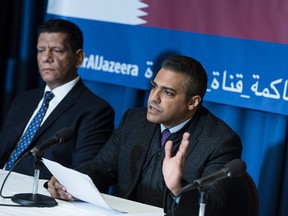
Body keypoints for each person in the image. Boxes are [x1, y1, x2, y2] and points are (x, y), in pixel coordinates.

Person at [47, 55, 243, 216]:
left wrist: (178, 187)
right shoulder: (135, 120)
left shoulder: (220, 141)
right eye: (154, 86)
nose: (154, 97)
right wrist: (72, 182)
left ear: (193, 102)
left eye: (167, 93)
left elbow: (212, 207)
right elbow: (102, 167)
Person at [0, 19, 115, 179]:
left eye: (57, 50)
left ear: (79, 57)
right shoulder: (24, 99)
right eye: (41, 50)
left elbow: (84, 174)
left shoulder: (96, 111)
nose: (46, 57)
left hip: (38, 196)